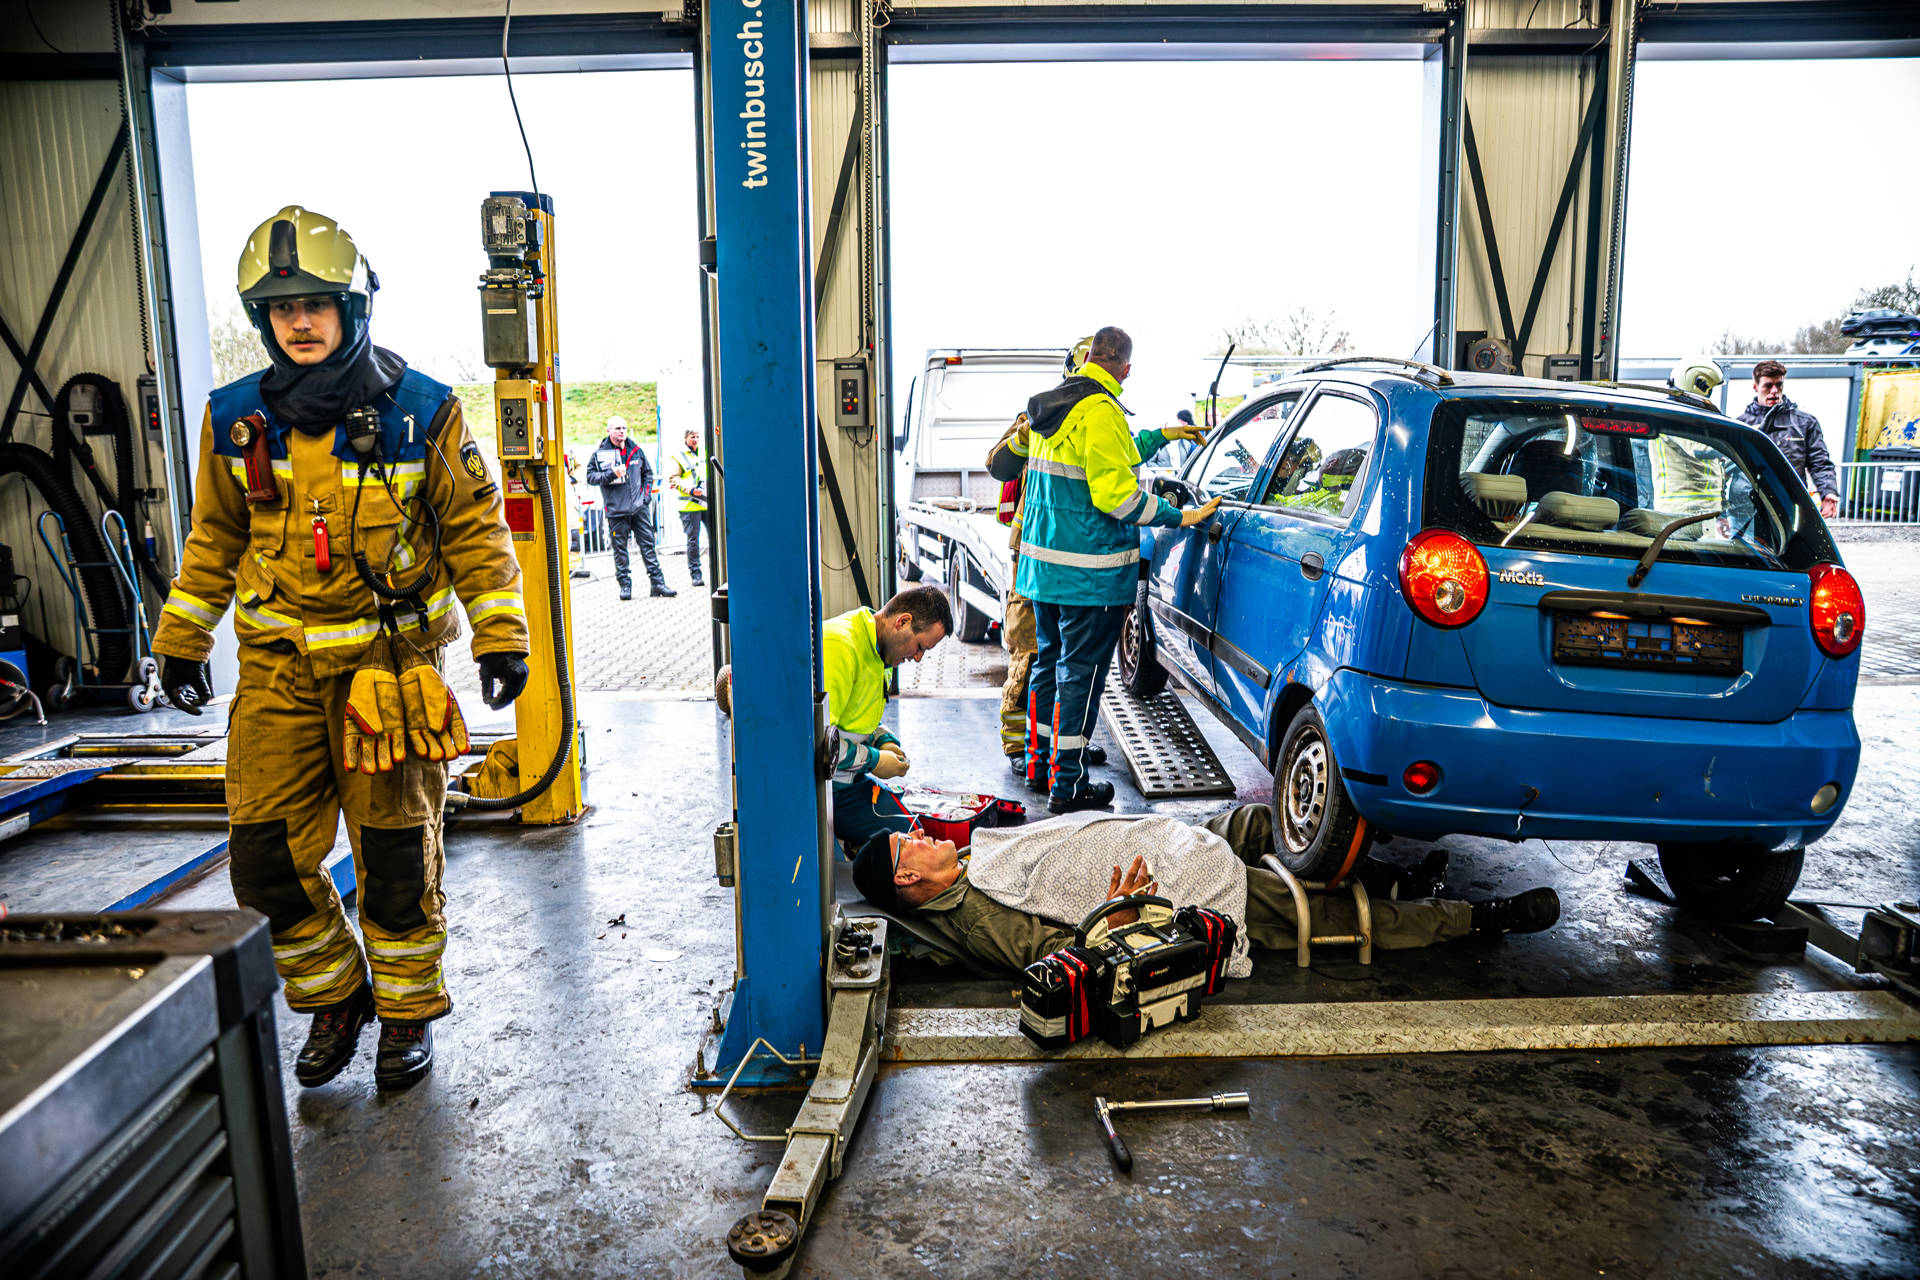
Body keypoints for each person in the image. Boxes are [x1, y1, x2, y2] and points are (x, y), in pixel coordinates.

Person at [154, 205, 530, 1091]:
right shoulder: (235, 421)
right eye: (282, 309)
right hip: (277, 676)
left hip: (387, 676)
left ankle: (405, 1014)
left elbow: (477, 534)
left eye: (317, 304)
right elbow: (214, 538)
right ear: (264, 321)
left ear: (353, 307)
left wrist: (500, 638)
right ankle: (337, 997)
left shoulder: (424, 414)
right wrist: (182, 638)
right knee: (264, 861)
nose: (300, 322)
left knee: (395, 860)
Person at [851, 805, 1560, 976]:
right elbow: (1062, 953)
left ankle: (1394, 874)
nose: (921, 834)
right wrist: (1119, 918)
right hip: (1170, 886)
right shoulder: (977, 917)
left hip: (1158, 838)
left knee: (1262, 822)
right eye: (909, 842)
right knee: (1320, 912)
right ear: (908, 878)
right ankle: (1474, 917)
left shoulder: (973, 856)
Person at [1012, 326, 1215, 814]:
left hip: (1045, 572)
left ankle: (1041, 765)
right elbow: (1116, 496)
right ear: (1125, 367)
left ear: (1090, 358)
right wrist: (1179, 516)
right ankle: (1068, 786)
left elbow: (1110, 455)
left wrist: (1162, 435)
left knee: (1049, 666)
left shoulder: (1061, 403)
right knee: (1080, 678)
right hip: (1089, 577)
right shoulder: (1101, 410)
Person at [823, 585, 953, 853]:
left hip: (848, 780)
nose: (918, 658)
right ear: (902, 622)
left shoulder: (879, 649)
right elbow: (818, 744)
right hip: (825, 791)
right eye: (920, 646)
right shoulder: (841, 648)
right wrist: (874, 760)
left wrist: (885, 741)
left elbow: (857, 715)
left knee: (917, 825)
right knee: (912, 845)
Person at [1736, 360, 1839, 519]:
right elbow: (1728, 466)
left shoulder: (1804, 423)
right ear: (1756, 387)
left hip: (1789, 506)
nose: (1774, 391)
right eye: (1768, 386)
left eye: (1779, 385)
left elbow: (1820, 462)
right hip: (1747, 507)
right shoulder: (1741, 425)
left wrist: (1828, 492)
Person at [586, 415, 674, 600]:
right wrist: (611, 474)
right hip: (616, 511)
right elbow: (591, 477)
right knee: (620, 551)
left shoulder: (636, 450)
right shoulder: (599, 454)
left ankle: (658, 584)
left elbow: (648, 474)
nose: (622, 431)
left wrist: (645, 498)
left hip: (638, 509)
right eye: (617, 428)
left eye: (624, 428)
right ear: (608, 431)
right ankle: (625, 586)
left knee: (648, 546)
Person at [668, 426, 708, 586]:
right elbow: (674, 478)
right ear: (686, 439)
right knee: (693, 541)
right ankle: (696, 575)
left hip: (707, 501)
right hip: (689, 505)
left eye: (697, 437)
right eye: (692, 437)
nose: (695, 440)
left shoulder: (705, 452)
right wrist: (690, 489)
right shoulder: (678, 456)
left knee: (716, 537)